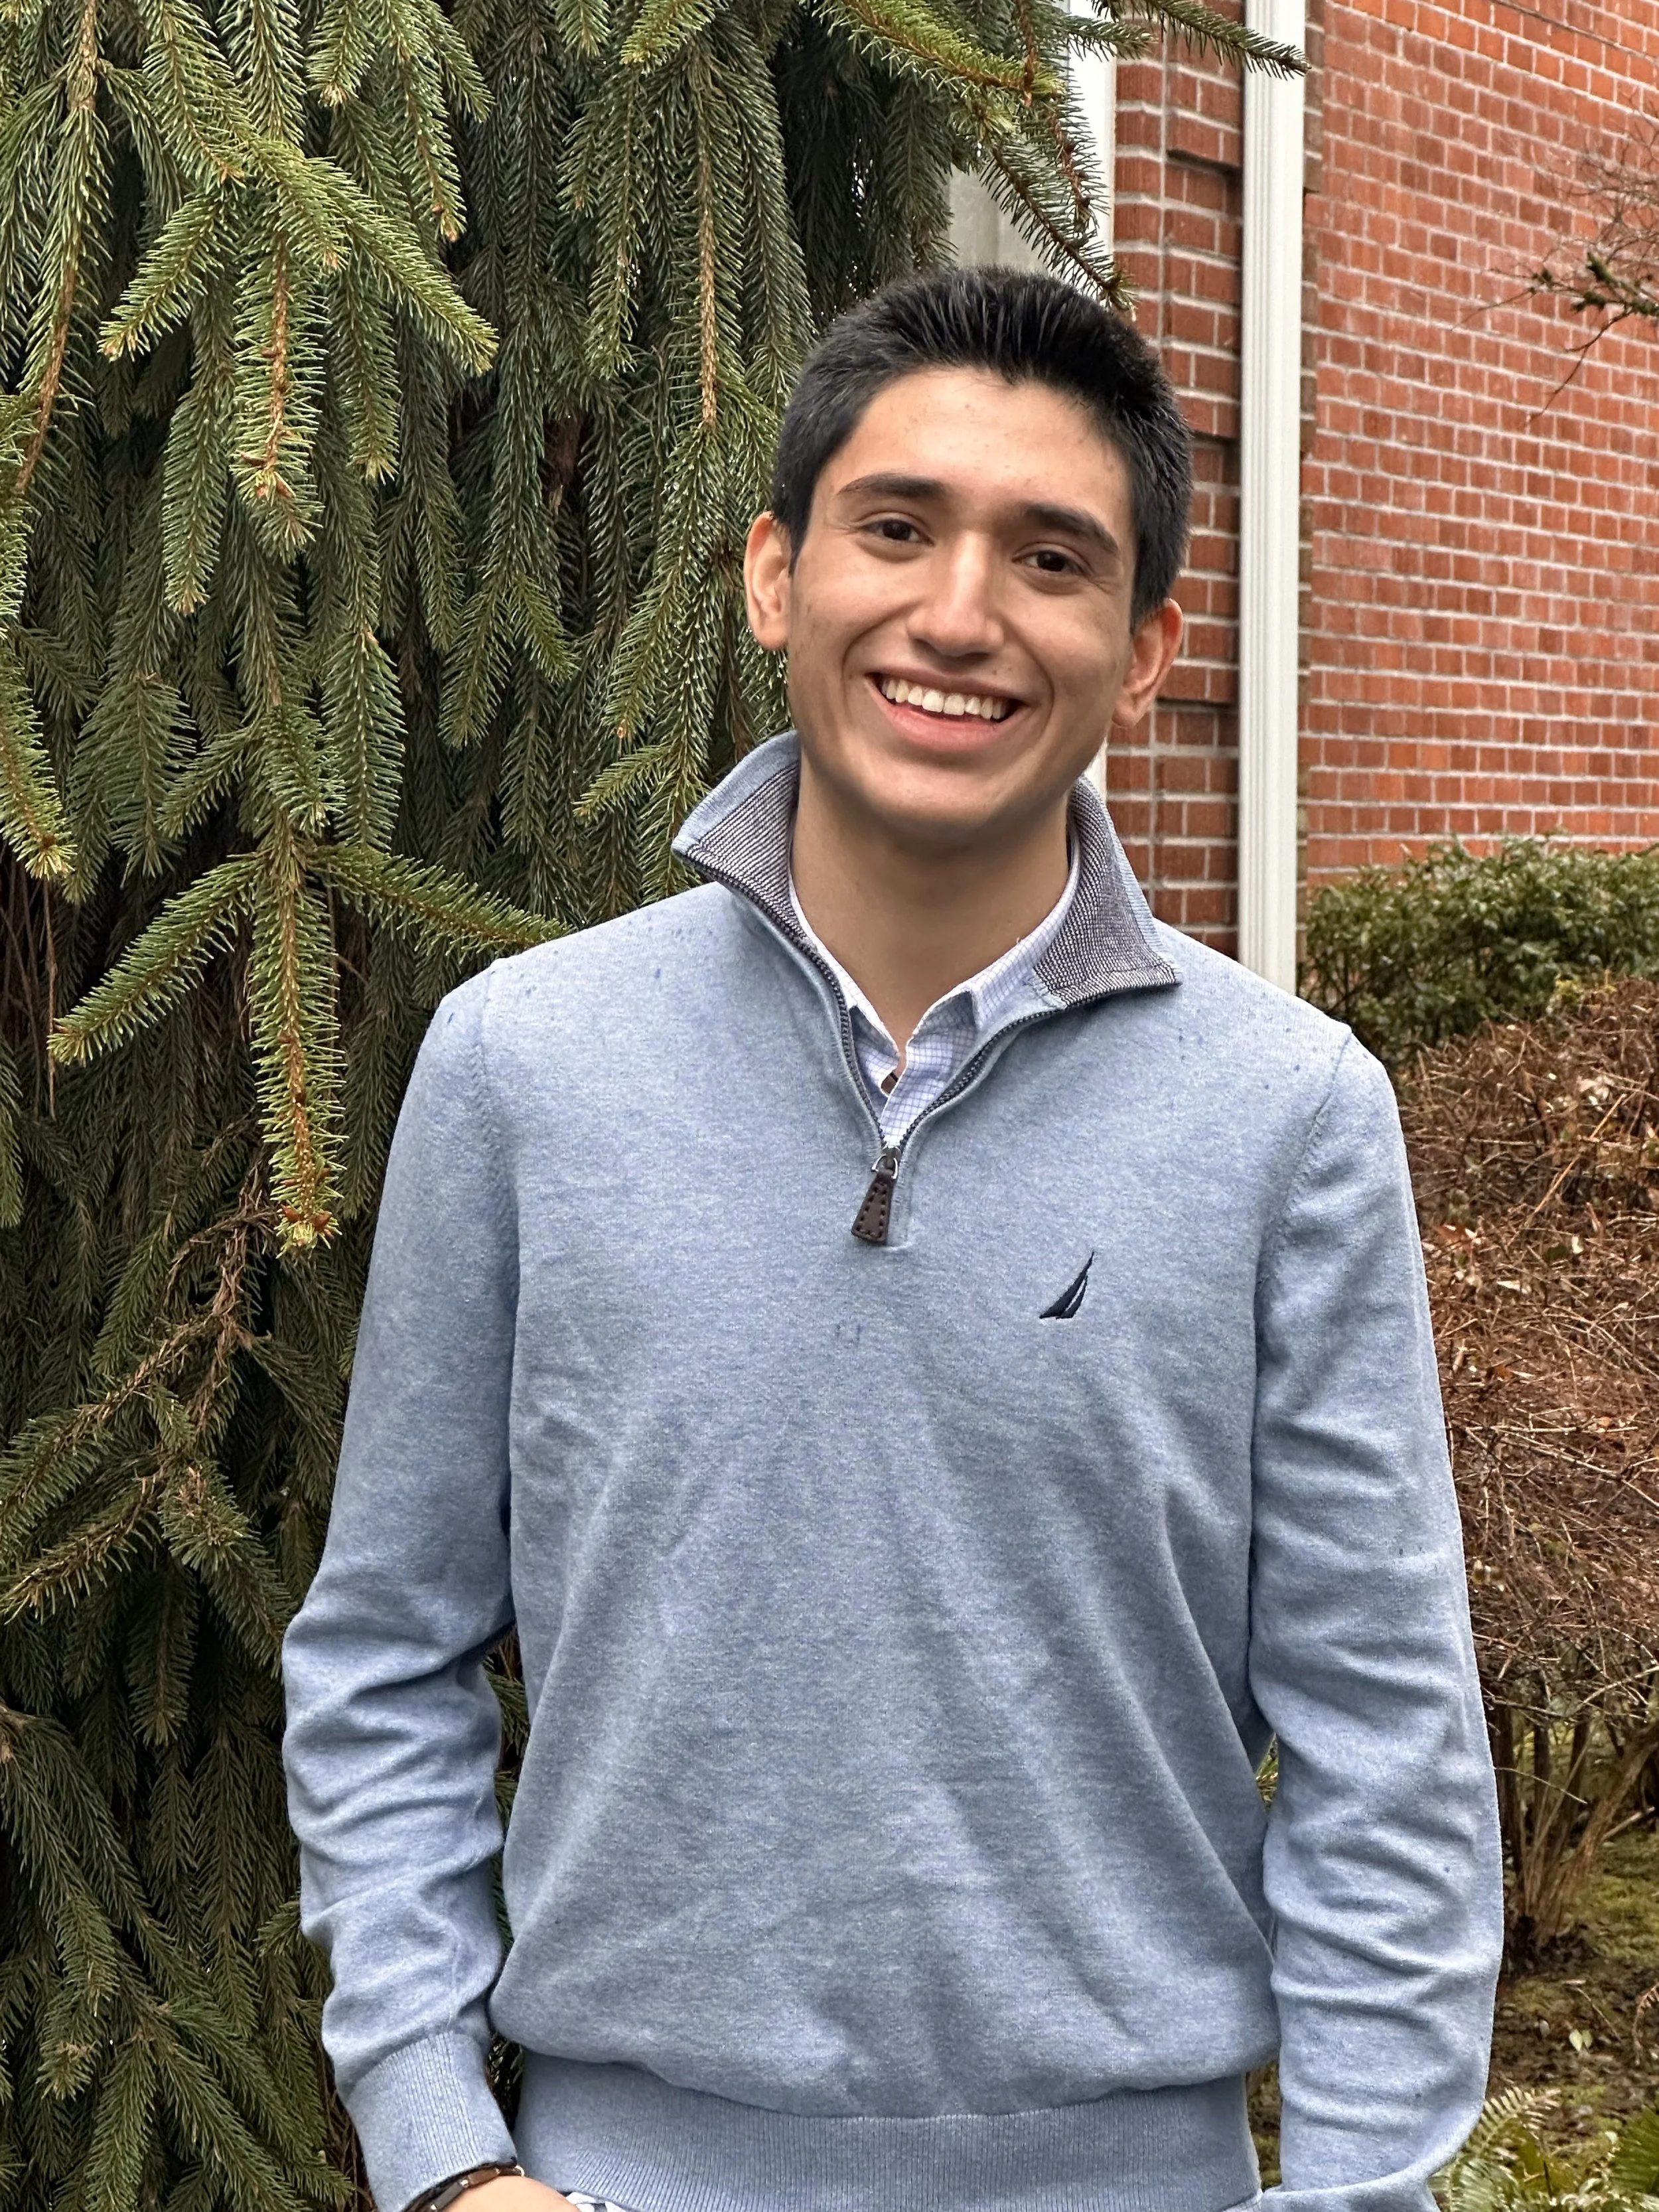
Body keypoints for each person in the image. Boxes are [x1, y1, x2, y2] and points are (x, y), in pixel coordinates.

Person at [281, 267, 1503, 2212]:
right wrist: (442, 2154)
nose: (959, 613)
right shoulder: (524, 1065)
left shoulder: (1289, 1119)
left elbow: (1385, 1736)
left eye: (1051, 557)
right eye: (898, 527)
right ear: (776, 576)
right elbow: (383, 1653)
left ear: (1148, 648)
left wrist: (1356, 2195)